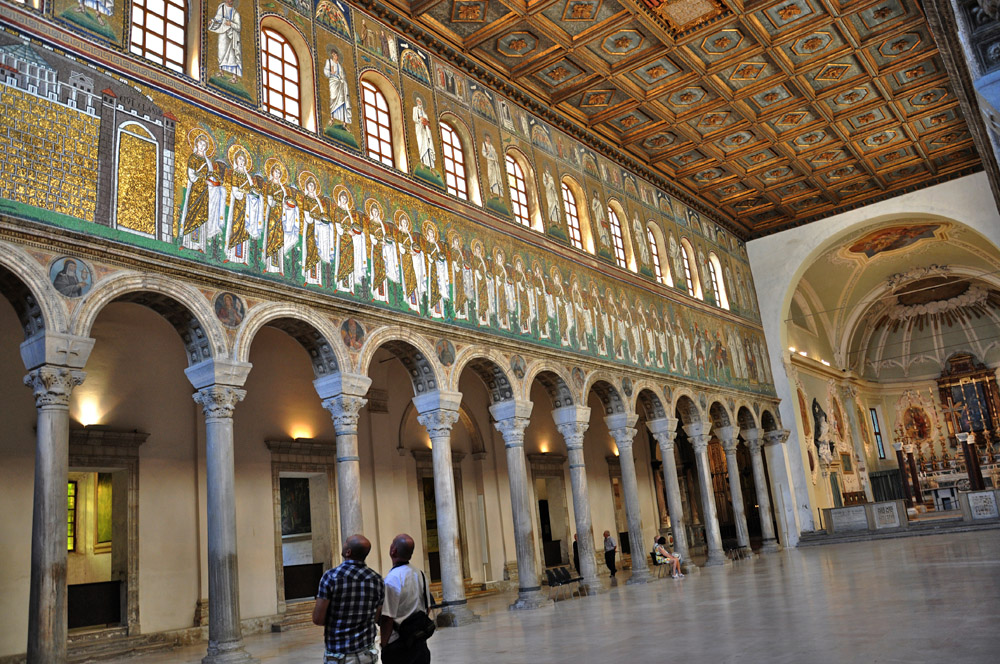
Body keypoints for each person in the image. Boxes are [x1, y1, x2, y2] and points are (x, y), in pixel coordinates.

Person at [312, 534, 384, 664]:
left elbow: (318, 619)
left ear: (348, 552)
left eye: (345, 542)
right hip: (366, 653)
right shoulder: (377, 580)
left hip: (338, 654)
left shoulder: (330, 577)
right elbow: (377, 617)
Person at [379, 534, 432, 664]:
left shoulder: (392, 579)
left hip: (398, 645)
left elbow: (387, 618)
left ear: (393, 551)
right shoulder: (420, 574)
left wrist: (384, 645)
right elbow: (428, 607)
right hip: (419, 641)